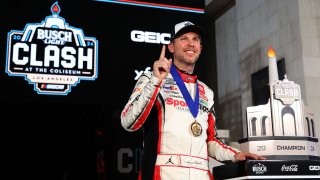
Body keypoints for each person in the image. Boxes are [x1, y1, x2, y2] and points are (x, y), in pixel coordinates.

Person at [120, 21, 266, 180]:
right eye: (183, 38)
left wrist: (235, 155)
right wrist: (156, 81)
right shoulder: (151, 78)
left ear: (200, 48)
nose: (190, 43)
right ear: (171, 47)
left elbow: (210, 140)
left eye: (195, 39)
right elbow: (128, 122)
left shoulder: (207, 92)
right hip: (163, 174)